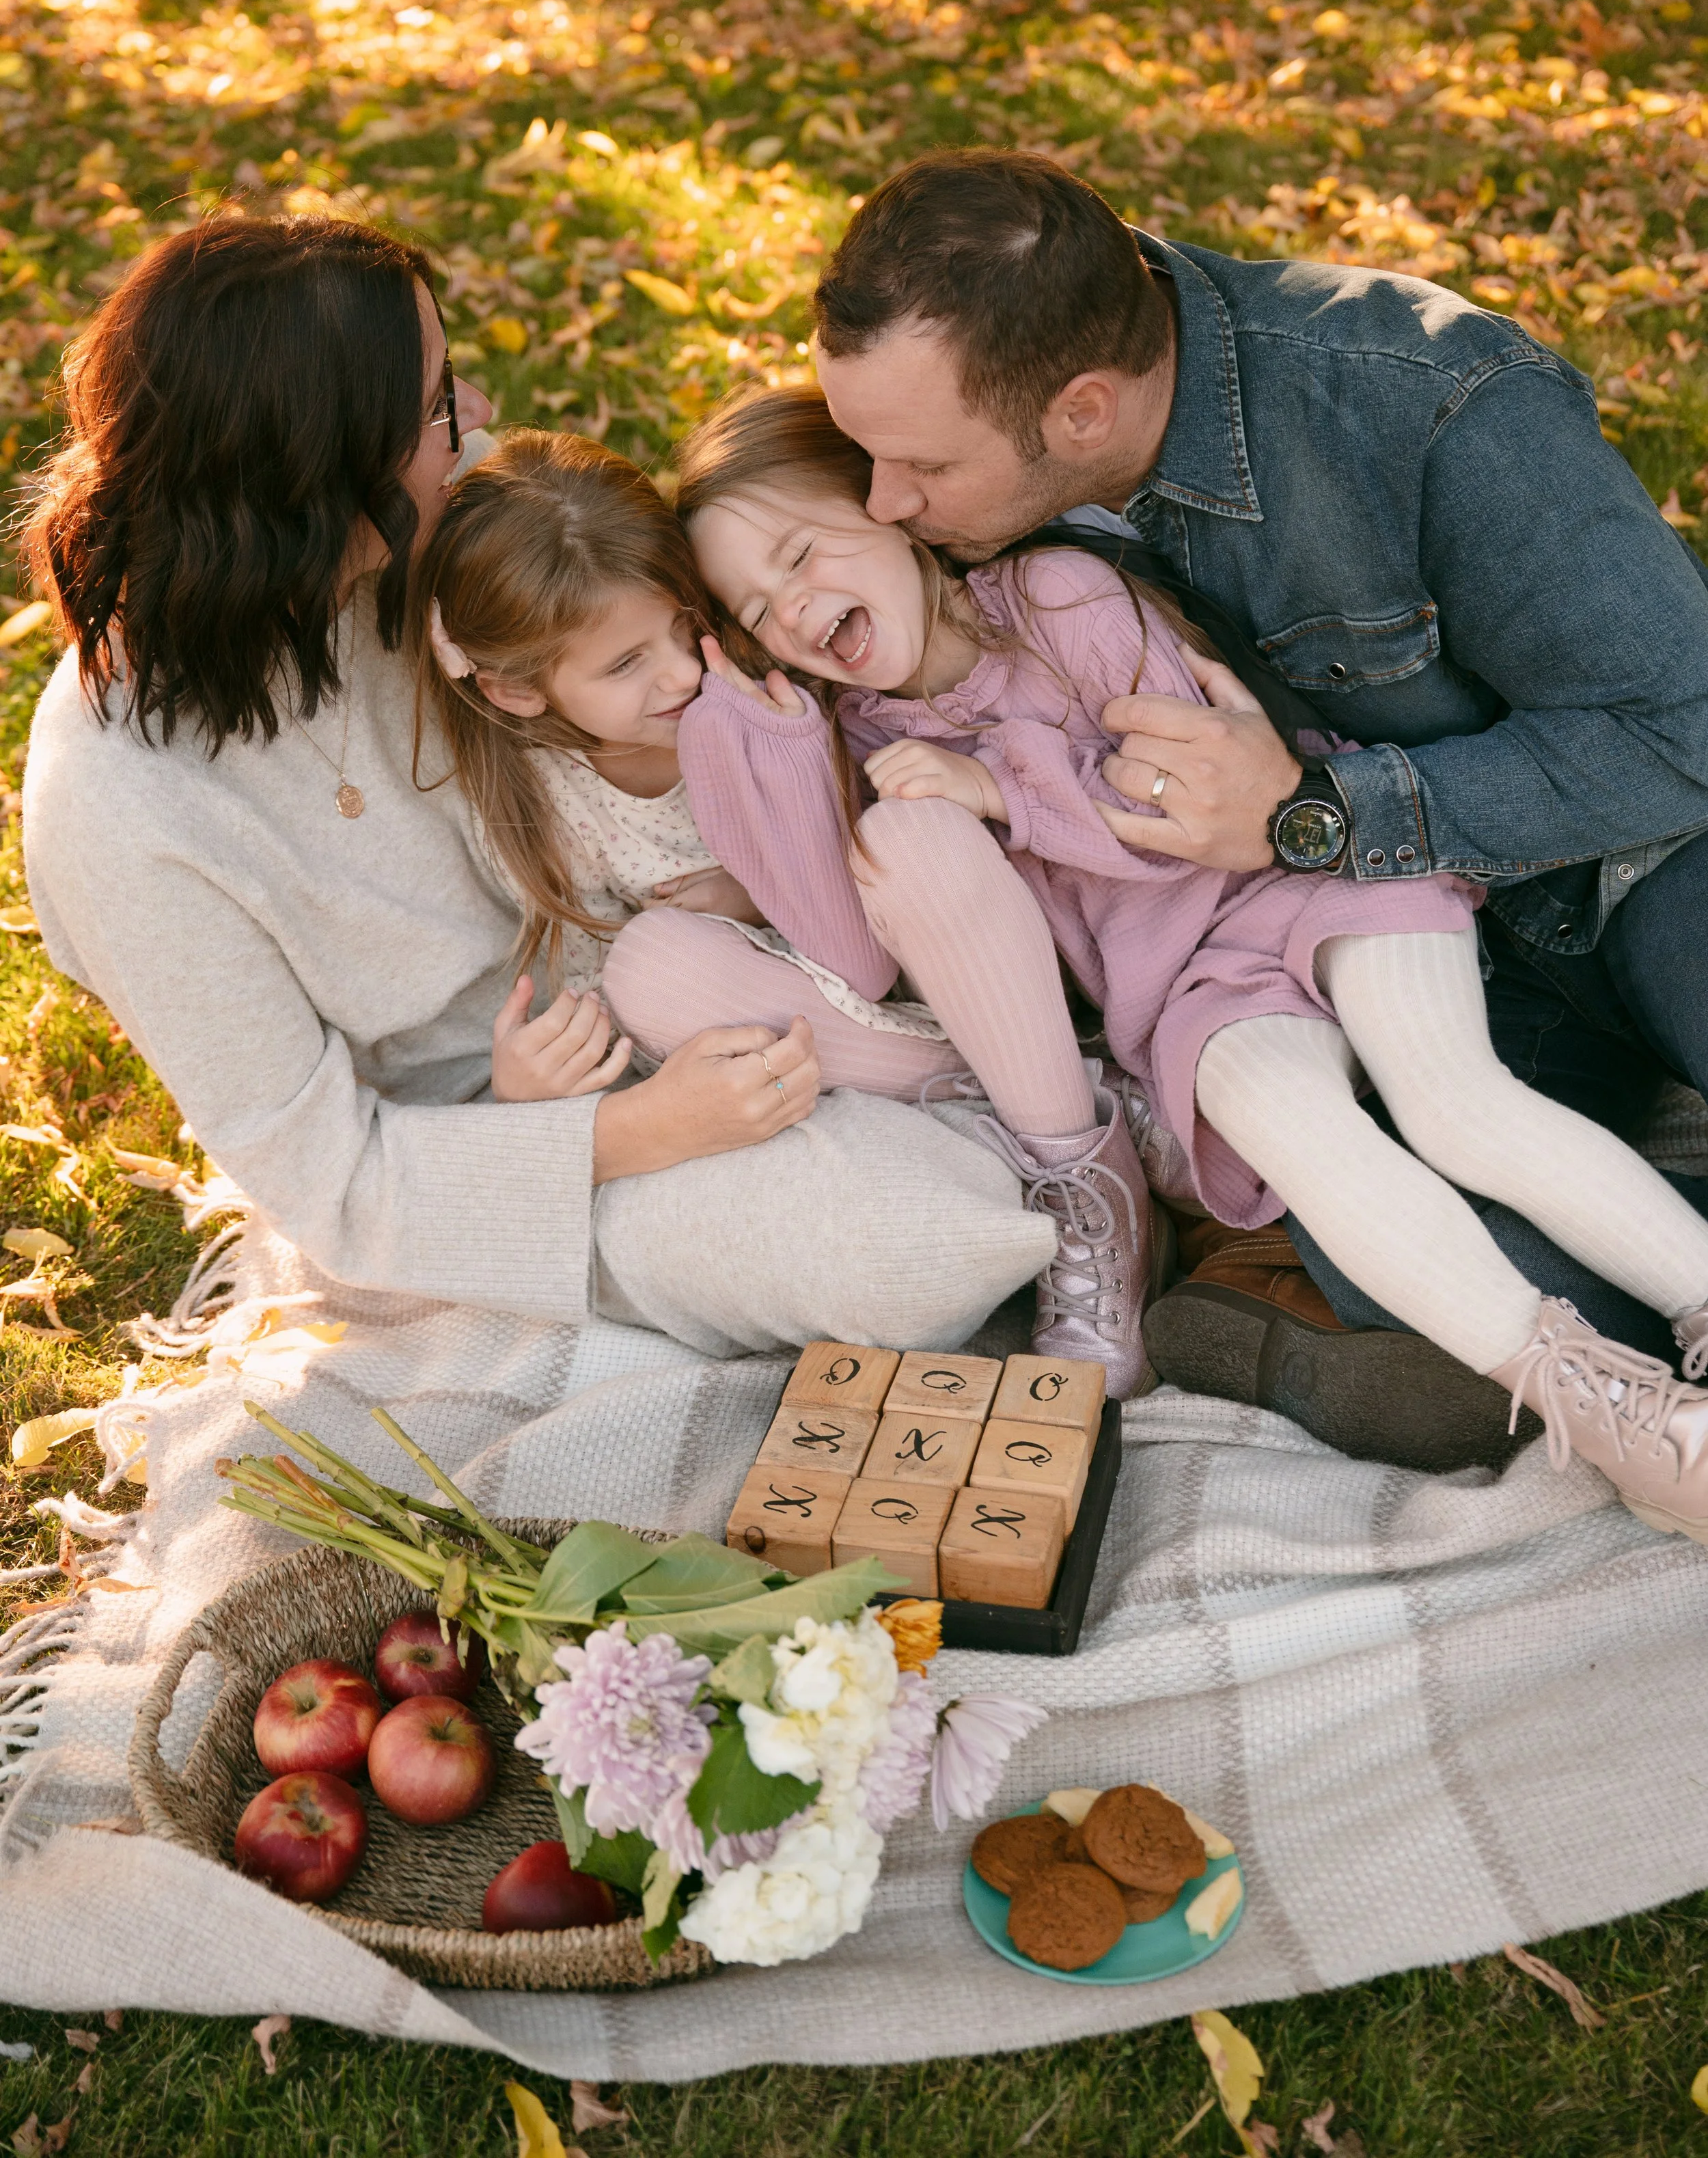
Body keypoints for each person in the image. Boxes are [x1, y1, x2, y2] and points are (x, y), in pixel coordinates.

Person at [657, 386, 1708, 1533]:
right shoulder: (869, 738)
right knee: (1306, 1144)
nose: (797, 609)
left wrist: (999, 791)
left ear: (894, 508)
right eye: (757, 608)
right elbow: (850, 954)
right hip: (1193, 989)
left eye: (804, 554)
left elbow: (1187, 805)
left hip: (1310, 871)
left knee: (1453, 1102)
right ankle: (1622, 1419)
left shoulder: (1056, 598)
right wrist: (754, 737)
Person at [805, 144, 1708, 1450]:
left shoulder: (1431, 400)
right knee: (1405, 1245)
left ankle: (1363, 1341)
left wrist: (1316, 816)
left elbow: (1681, 730)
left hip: (1646, 871)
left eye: (924, 472)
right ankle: (1390, 1329)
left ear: (1082, 411)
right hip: (1437, 971)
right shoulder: (975, 473)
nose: (886, 505)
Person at [16, 212, 1037, 1352]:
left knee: (990, 987)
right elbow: (333, 1185)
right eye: (441, 403)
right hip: (510, 1149)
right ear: (325, 476)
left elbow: (657, 633)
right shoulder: (124, 809)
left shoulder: (444, 548)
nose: (484, 420)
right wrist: (640, 1131)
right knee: (927, 1244)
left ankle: (1054, 1131)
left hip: (729, 976)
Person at [415, 431, 1161, 1390]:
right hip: (861, 1048)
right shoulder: (544, 803)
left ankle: (1075, 1180)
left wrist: (772, 837)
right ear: (519, 689)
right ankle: (1088, 1119)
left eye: (684, 628)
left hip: (965, 961)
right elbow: (615, 996)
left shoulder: (779, 671)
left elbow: (864, 942)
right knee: (650, 968)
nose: (682, 675)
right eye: (625, 665)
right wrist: (531, 1094)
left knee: (916, 838)